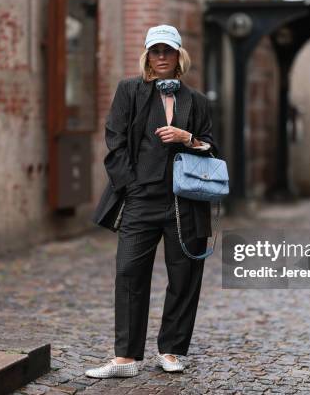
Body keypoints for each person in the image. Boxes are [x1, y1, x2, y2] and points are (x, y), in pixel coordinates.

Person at [86, 24, 219, 378]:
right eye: (155, 51)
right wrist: (131, 189)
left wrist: (187, 137)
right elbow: (114, 144)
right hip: (141, 200)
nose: (162, 57)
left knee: (184, 276)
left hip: (185, 202)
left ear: (179, 56)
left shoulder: (198, 102)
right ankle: (126, 359)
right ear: (147, 55)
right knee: (129, 271)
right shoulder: (129, 91)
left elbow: (212, 148)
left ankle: (172, 349)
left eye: (168, 51)